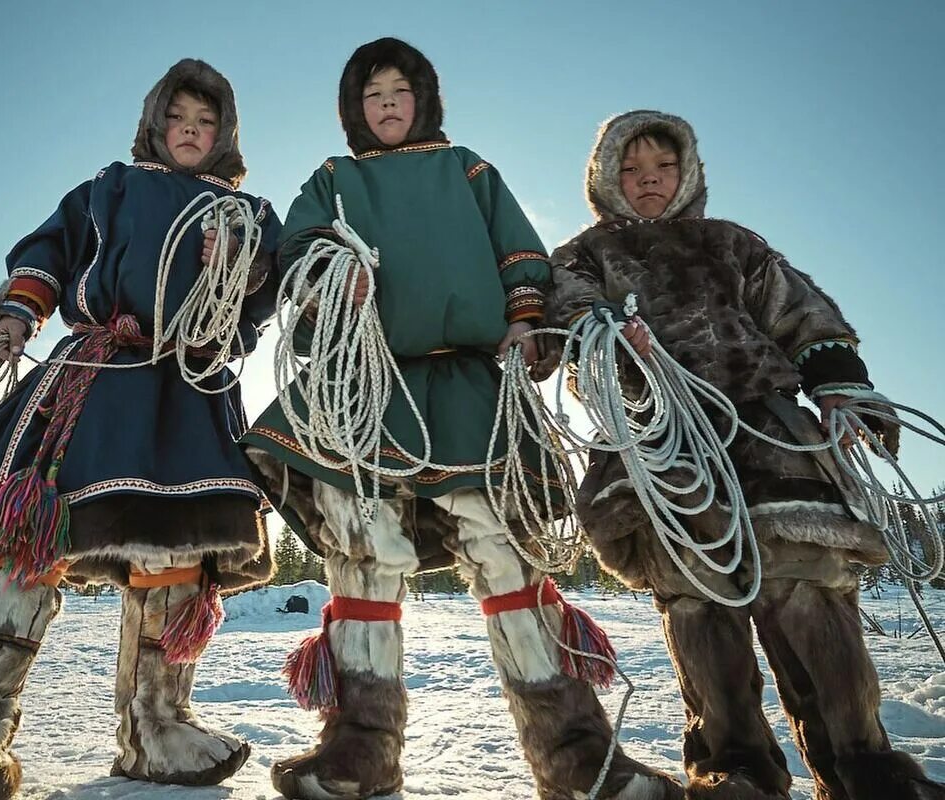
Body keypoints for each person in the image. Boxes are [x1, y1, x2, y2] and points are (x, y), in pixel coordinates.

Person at [242, 38, 683, 800]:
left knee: (507, 552)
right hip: (363, 384)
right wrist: (328, 272)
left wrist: (526, 319)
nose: (386, 103)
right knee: (362, 551)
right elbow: (300, 249)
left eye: (399, 91)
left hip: (469, 383)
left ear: (424, 101)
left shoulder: (468, 169)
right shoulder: (333, 178)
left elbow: (519, 253)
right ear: (354, 109)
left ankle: (576, 753)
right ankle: (360, 747)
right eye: (372, 93)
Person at [543, 109, 944, 800]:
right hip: (660, 448)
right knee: (698, 603)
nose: (647, 183)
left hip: (768, 438)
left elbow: (800, 312)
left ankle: (865, 767)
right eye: (631, 172)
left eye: (661, 170)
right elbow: (571, 322)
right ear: (605, 180)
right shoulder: (582, 256)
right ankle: (734, 769)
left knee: (809, 589)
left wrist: (841, 386)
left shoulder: (732, 244)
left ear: (686, 173)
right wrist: (607, 342)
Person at [0, 58, 281, 797]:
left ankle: (157, 729)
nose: (191, 133)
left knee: (181, 559)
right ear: (155, 125)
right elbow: (49, 257)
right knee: (22, 545)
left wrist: (244, 274)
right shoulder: (109, 189)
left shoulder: (249, 213)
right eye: (178, 120)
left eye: (205, 123)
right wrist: (13, 314)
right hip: (94, 374)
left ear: (224, 133)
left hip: (188, 387)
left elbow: (259, 303)